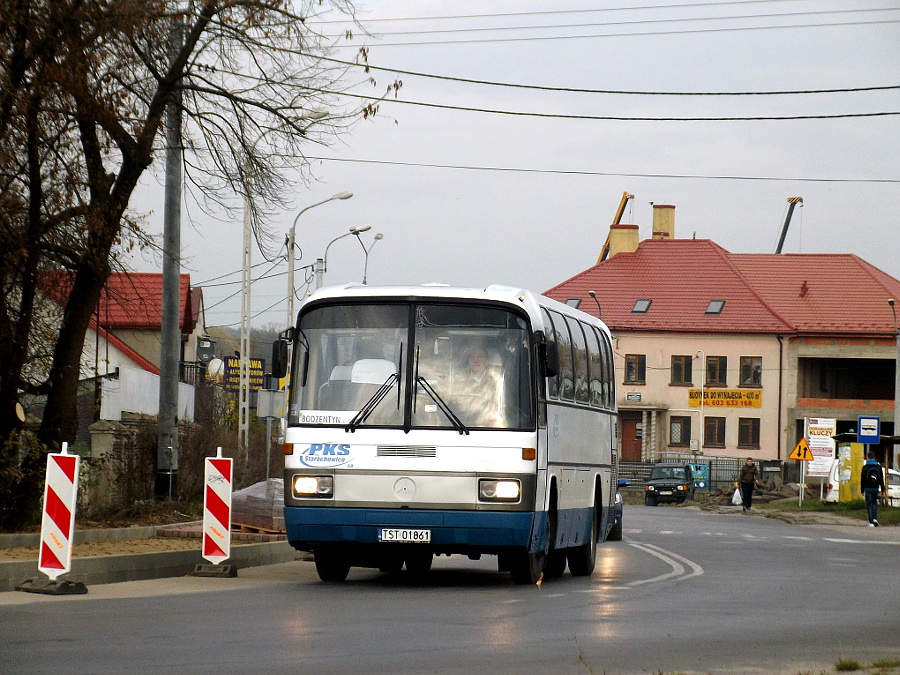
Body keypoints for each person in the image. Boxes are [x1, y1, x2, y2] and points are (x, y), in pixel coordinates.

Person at [454, 345, 502, 426]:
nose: (475, 361)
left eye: (480, 357)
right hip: (465, 425)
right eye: (472, 358)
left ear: (487, 361)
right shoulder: (460, 383)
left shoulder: (496, 382)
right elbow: (456, 408)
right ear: (469, 362)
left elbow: (499, 407)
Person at [860, 451, 886, 527]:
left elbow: (863, 479)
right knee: (874, 503)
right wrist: (883, 490)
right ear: (874, 457)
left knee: (869, 504)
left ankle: (871, 522)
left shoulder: (865, 467)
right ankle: (875, 519)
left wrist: (862, 489)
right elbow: (881, 479)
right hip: (876, 488)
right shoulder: (878, 467)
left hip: (868, 488)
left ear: (868, 458)